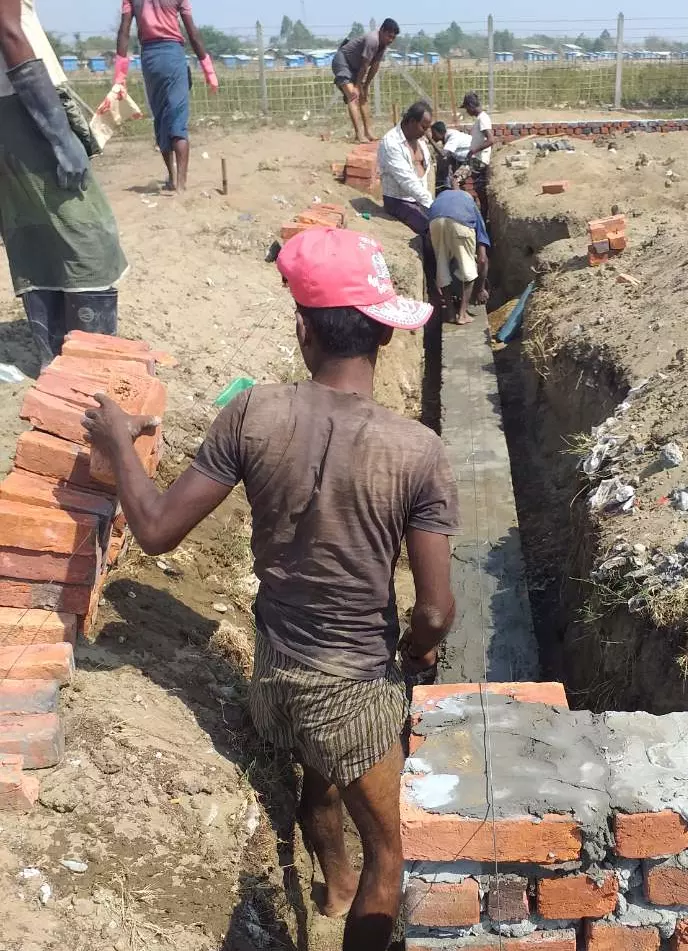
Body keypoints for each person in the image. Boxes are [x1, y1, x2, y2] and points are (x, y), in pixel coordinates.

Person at [81, 227, 459, 951]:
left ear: (303, 329)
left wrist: (118, 444)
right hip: (351, 683)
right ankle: (356, 891)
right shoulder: (419, 452)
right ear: (383, 332)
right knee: (393, 850)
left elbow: (155, 529)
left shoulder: (252, 412)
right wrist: (414, 655)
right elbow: (437, 610)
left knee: (319, 779)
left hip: (275, 668)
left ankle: (334, 888)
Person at [0, 0, 128, 368]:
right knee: (90, 239)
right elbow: (9, 30)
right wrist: (59, 135)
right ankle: (88, 368)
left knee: (33, 233)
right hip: (25, 111)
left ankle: (55, 365)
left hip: (12, 112)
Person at [115, 0, 219, 192]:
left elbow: (124, 31)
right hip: (173, 55)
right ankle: (181, 184)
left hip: (150, 59)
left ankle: (171, 178)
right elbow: (193, 34)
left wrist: (119, 76)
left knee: (161, 118)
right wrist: (209, 70)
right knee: (178, 119)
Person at [428, 181, 490, 325]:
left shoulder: (441, 197)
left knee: (442, 266)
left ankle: (450, 313)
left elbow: (429, 247)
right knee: (468, 268)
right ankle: (462, 315)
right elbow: (482, 259)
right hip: (460, 222)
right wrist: (480, 289)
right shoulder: (472, 207)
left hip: (435, 222)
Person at [332, 19, 399, 143]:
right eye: (389, 36)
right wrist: (358, 86)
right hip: (342, 61)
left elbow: (375, 66)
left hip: (355, 67)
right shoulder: (372, 40)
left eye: (393, 38)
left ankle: (368, 132)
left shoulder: (383, 45)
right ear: (382, 30)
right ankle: (359, 134)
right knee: (353, 96)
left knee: (363, 97)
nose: (390, 40)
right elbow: (364, 65)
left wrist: (366, 85)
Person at [378, 100, 434, 236]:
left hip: (420, 200)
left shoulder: (419, 139)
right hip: (399, 202)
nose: (426, 132)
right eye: (423, 127)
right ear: (412, 121)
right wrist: (433, 206)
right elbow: (407, 181)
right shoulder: (391, 143)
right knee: (432, 230)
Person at [461, 91, 494, 221]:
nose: (467, 112)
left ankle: (457, 212)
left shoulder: (483, 119)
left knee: (456, 179)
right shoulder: (481, 118)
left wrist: (474, 151)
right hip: (478, 159)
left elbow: (491, 140)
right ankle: (484, 220)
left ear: (470, 105)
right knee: (480, 193)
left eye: (466, 108)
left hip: (479, 160)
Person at [429, 120, 471, 193]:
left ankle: (457, 199)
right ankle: (447, 186)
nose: (433, 136)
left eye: (434, 134)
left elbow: (443, 154)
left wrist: (430, 140)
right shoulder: (448, 136)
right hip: (465, 159)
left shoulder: (453, 137)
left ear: (440, 133)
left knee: (454, 180)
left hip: (473, 160)